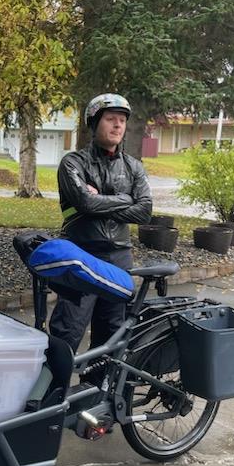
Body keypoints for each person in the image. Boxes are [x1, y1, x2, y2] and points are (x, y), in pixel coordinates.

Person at [49, 93, 152, 355]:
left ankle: (97, 392)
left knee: (112, 332)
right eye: (110, 119)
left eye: (122, 120)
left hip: (119, 258)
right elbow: (84, 203)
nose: (118, 125)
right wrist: (127, 199)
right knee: (68, 329)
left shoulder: (133, 167)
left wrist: (103, 202)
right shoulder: (73, 163)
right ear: (94, 124)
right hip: (81, 254)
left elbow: (144, 211)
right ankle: (51, 391)